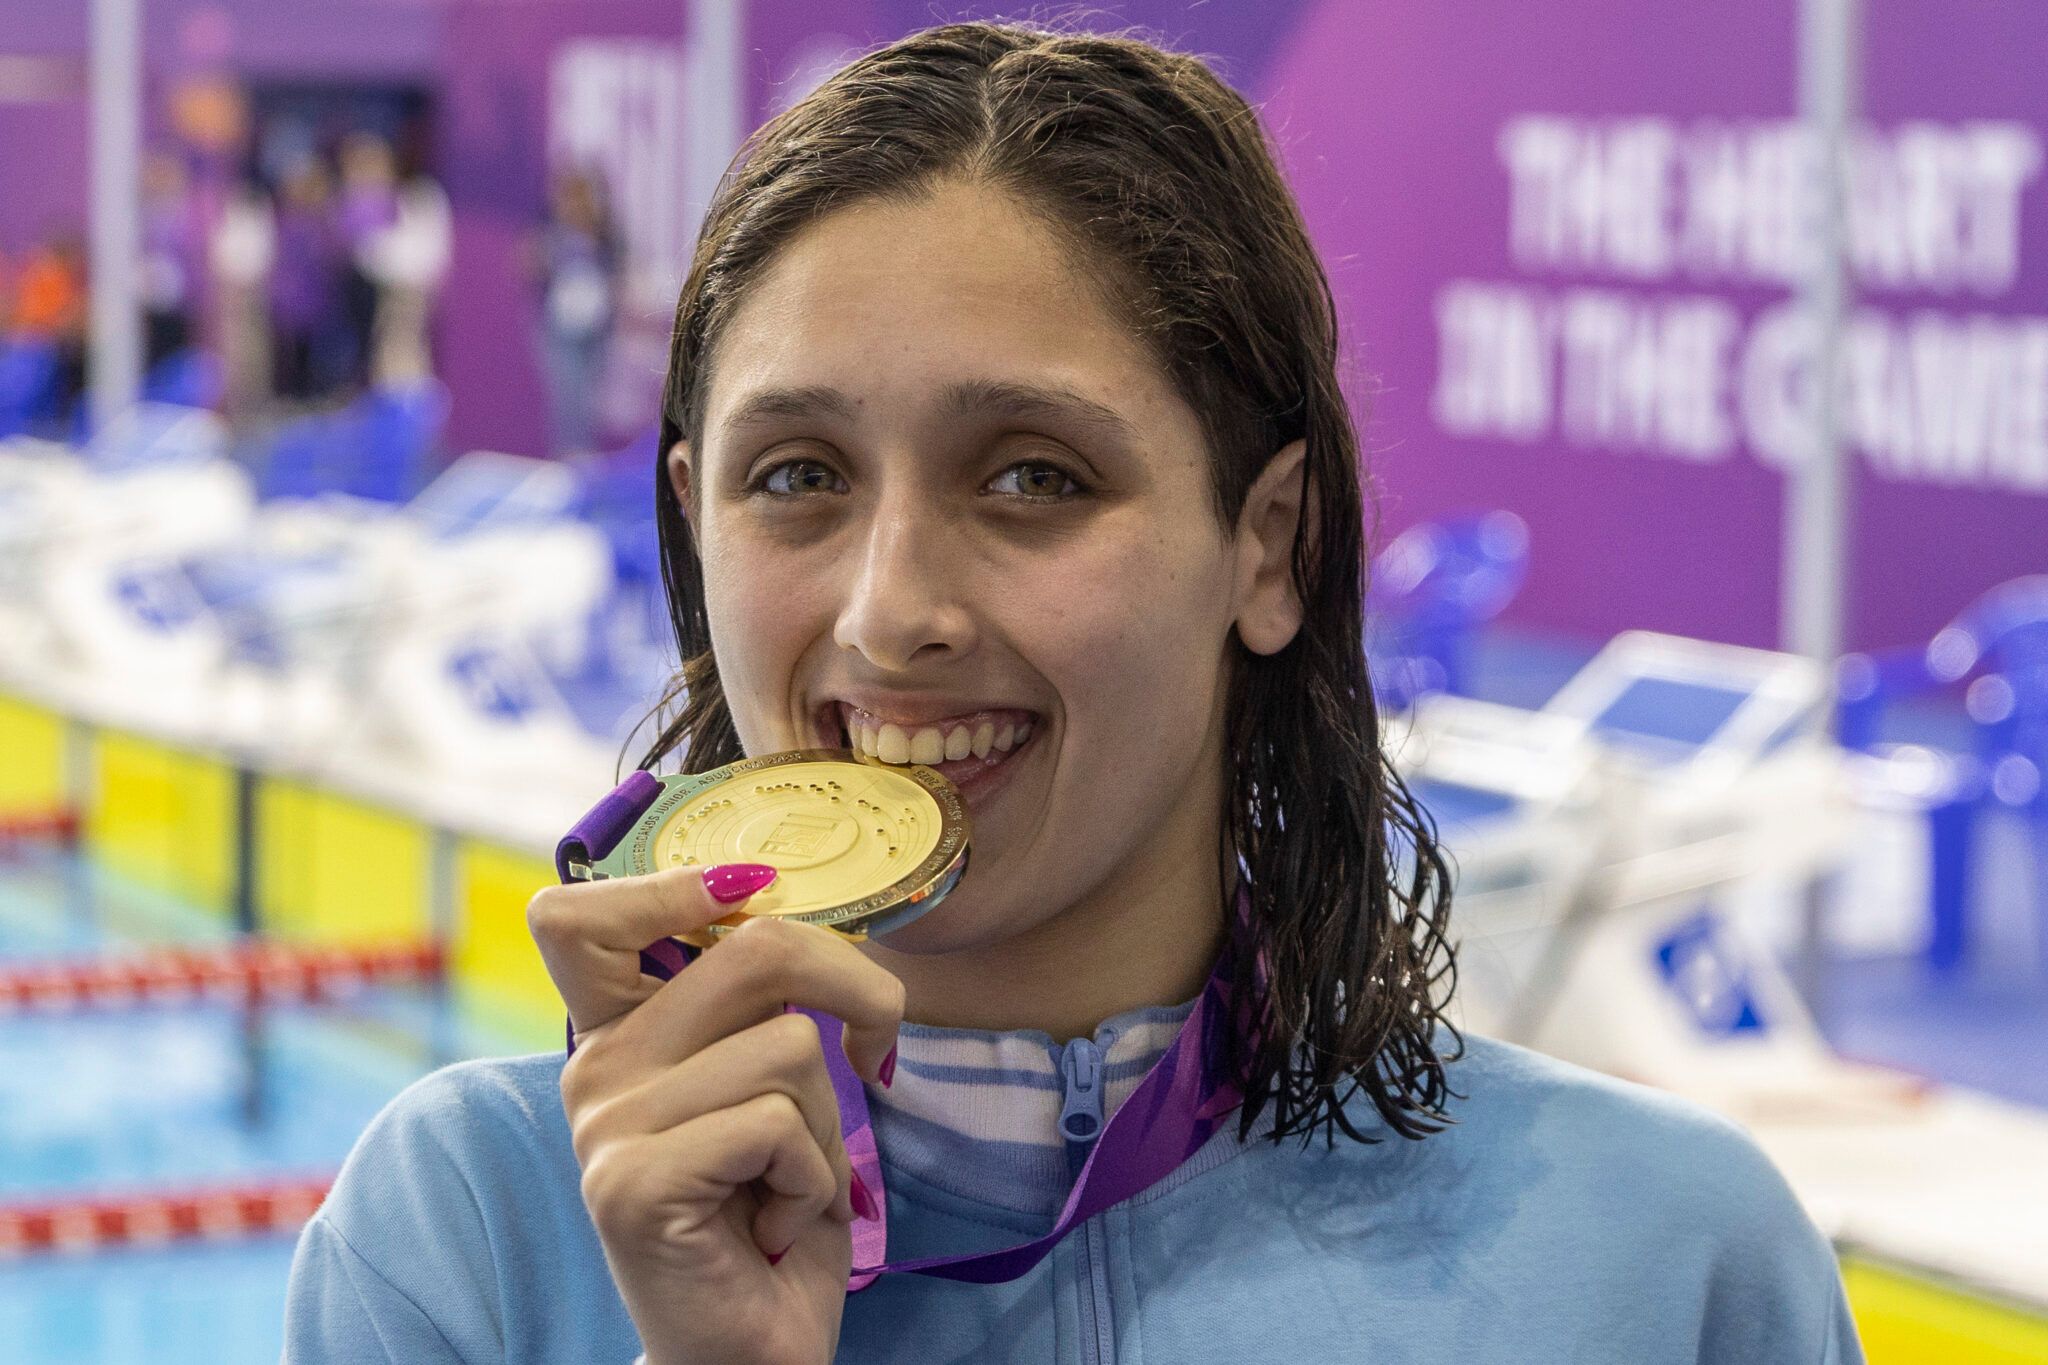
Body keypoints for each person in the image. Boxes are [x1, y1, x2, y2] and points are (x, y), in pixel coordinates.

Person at [283, 23, 1863, 1363]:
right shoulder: (473, 1237)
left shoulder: (1659, 1266)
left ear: (1269, 545)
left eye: (1033, 475)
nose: (889, 613)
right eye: (800, 476)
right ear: (697, 523)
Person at [527, 166, 621, 456]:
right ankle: (567, 451)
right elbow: (529, 265)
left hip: (595, 324)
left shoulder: (604, 232)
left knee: (589, 392)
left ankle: (584, 450)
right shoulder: (551, 229)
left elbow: (617, 273)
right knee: (566, 390)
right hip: (559, 324)